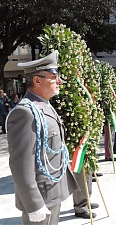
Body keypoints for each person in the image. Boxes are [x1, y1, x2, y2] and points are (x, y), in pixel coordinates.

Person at [6, 50, 79, 224]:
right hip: (41, 195)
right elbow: (20, 164)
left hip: (53, 192)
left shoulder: (44, 105)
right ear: (37, 80)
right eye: (54, 77)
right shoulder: (25, 112)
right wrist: (34, 204)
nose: (59, 81)